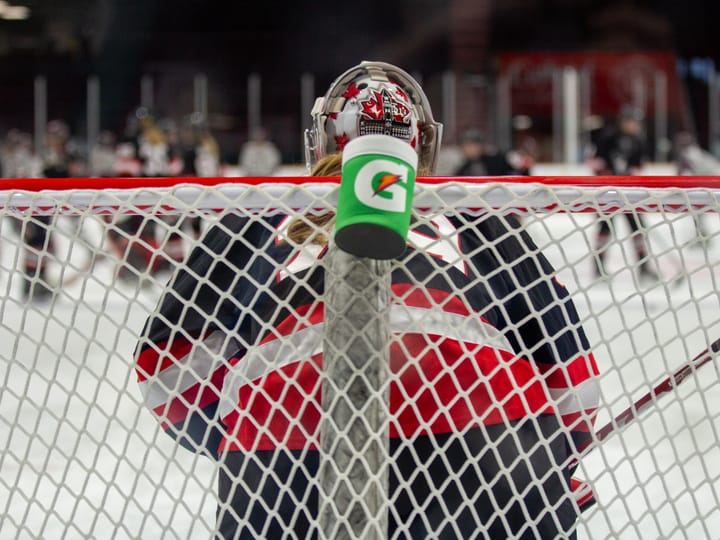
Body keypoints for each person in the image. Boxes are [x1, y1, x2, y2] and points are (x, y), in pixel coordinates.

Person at [135, 61, 599, 539]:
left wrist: (237, 434)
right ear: (420, 141)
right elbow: (575, 382)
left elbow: (164, 370)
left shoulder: (258, 213)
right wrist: (547, 461)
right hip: (488, 430)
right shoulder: (478, 214)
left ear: (322, 139)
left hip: (284, 436)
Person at [586, 105, 658, 280]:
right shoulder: (608, 138)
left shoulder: (638, 141)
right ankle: (599, 268)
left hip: (628, 194)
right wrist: (606, 173)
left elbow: (639, 165)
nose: (634, 125)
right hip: (608, 194)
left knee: (638, 229)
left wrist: (631, 174)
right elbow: (594, 162)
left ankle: (643, 267)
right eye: (632, 121)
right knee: (605, 229)